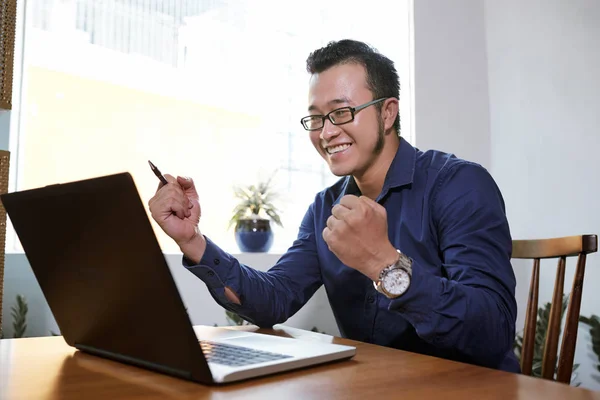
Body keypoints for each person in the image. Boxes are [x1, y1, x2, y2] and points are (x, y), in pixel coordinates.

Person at [148, 39, 520, 372]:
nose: (326, 132)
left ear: (387, 113)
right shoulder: (325, 207)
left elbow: (492, 332)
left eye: (341, 112)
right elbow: (273, 300)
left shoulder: (459, 185)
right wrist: (192, 240)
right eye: (316, 118)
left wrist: (385, 264)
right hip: (379, 387)